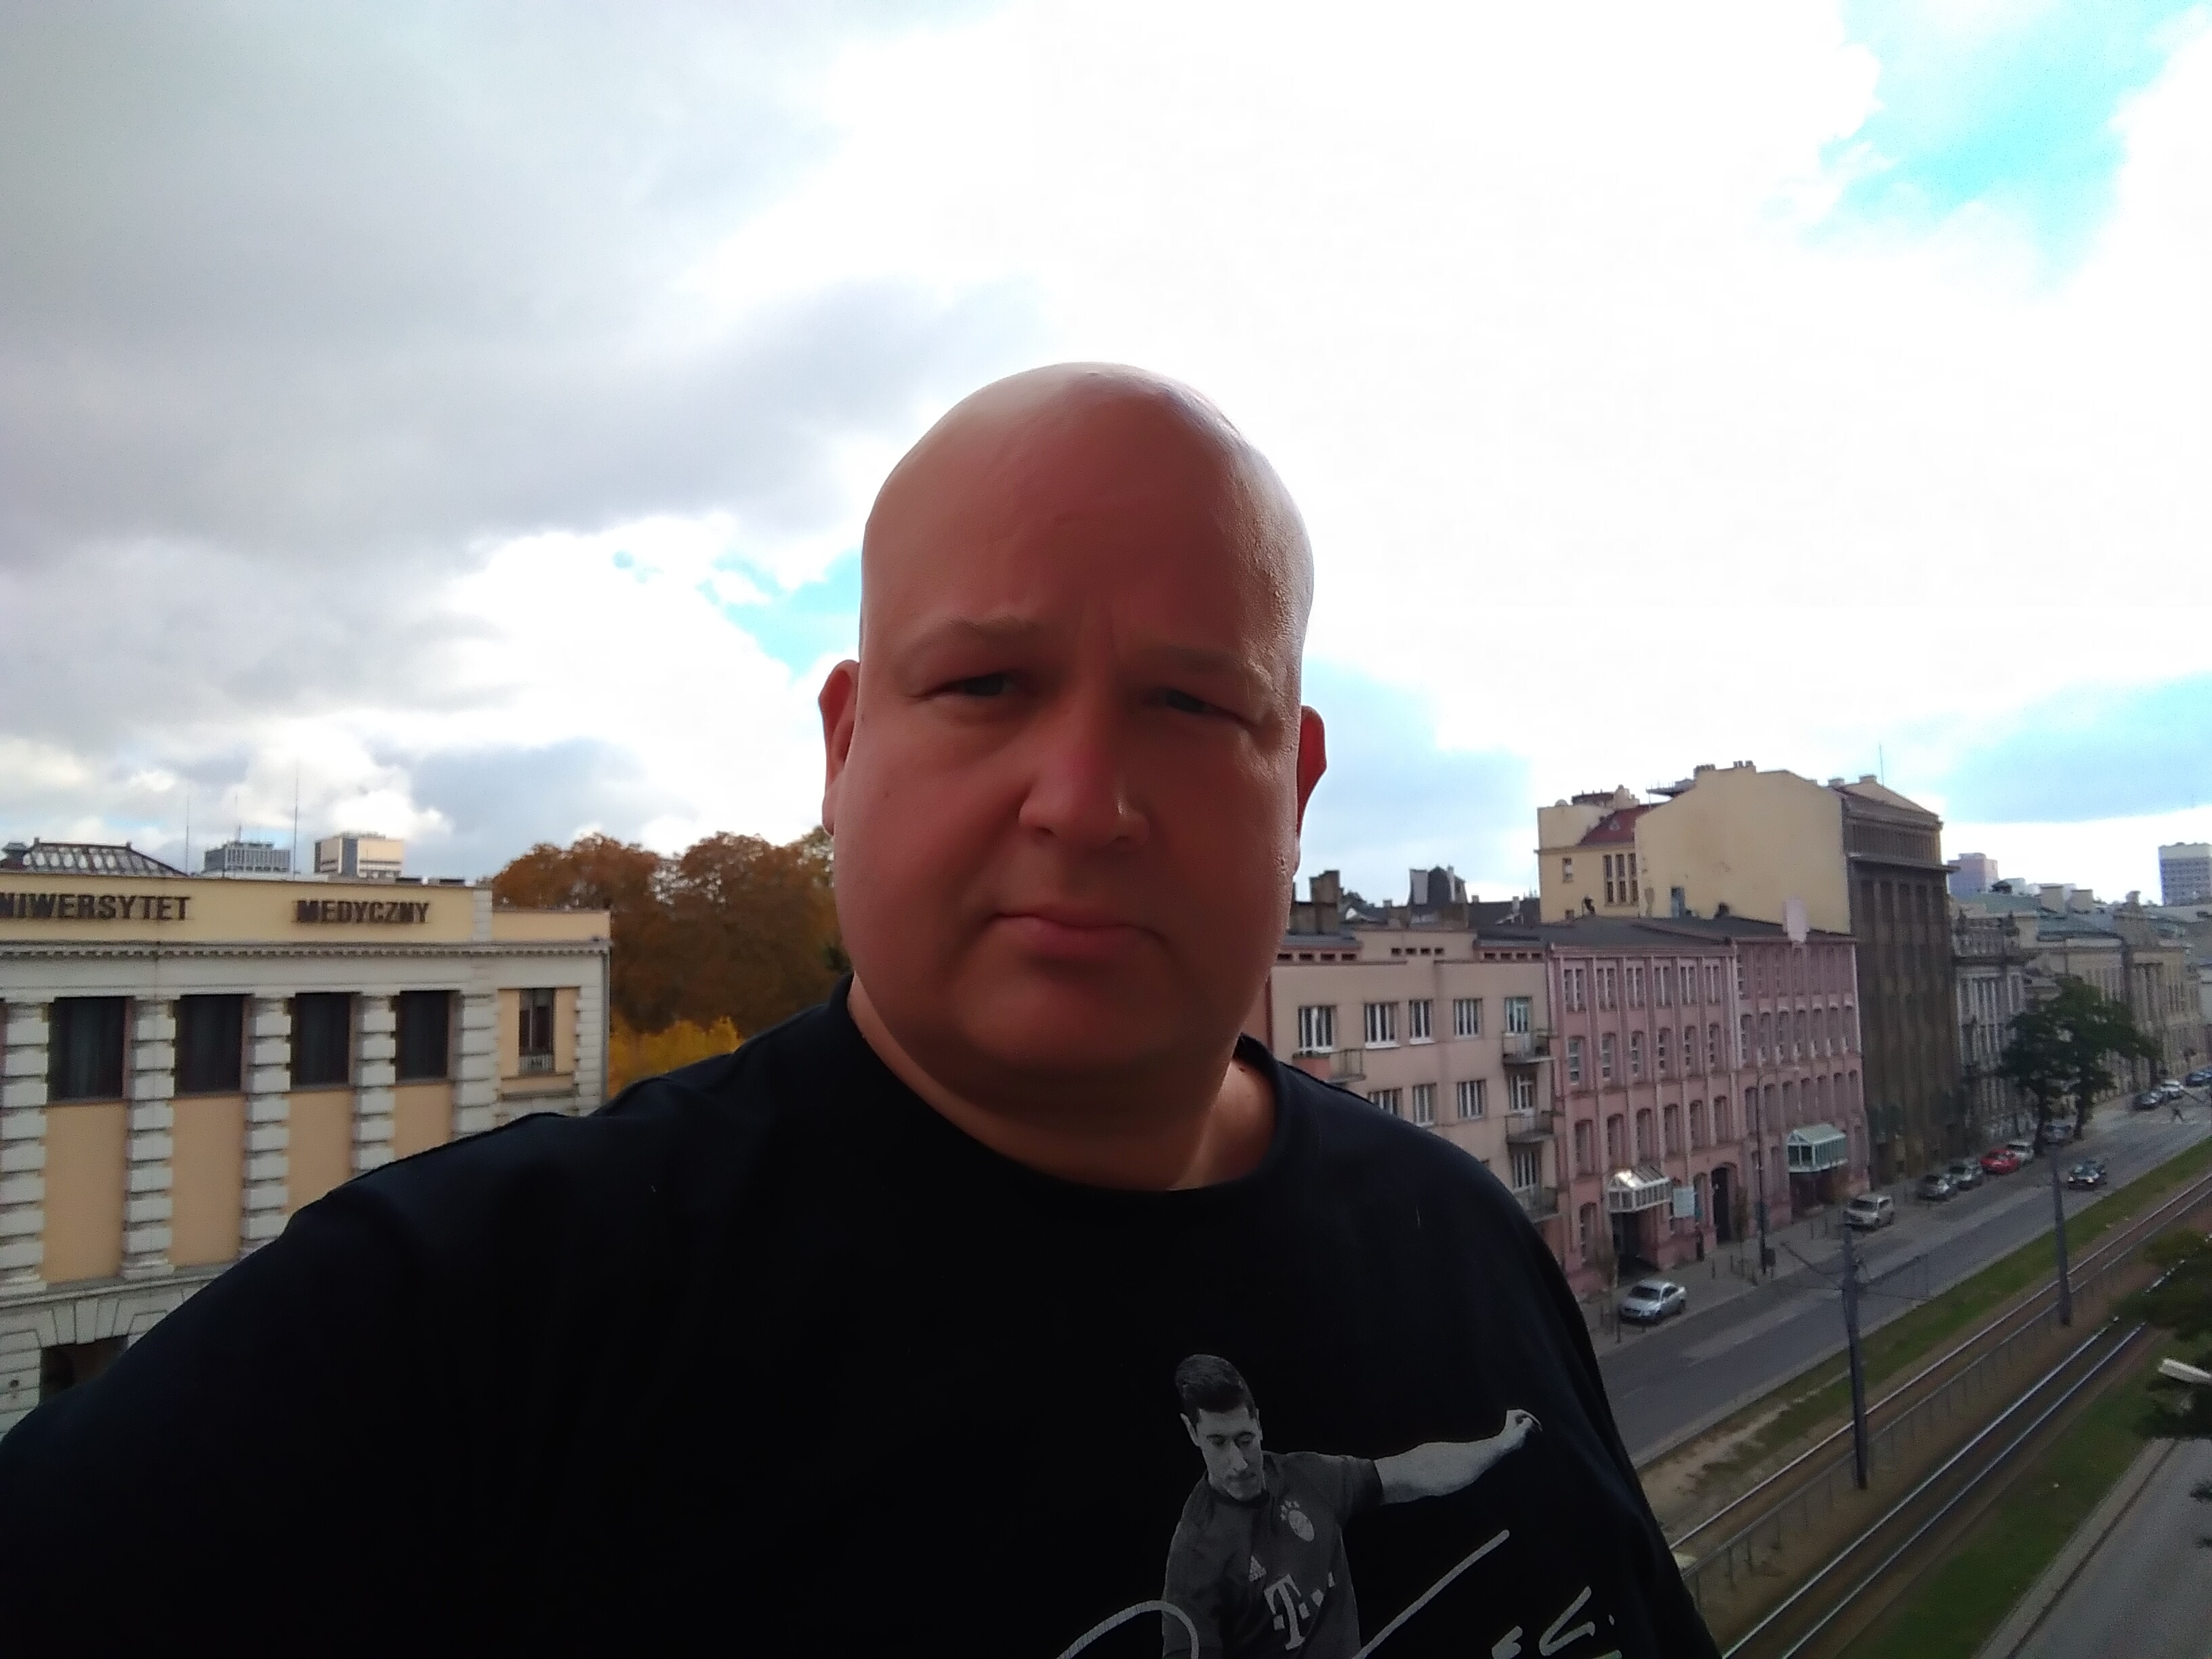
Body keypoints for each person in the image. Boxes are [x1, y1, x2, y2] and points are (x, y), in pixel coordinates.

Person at [0, 365, 1717, 1656]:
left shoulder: (1462, 1233)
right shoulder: (465, 1339)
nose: (1082, 798)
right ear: (842, 745)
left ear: (1300, 784)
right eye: (986, 683)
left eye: (1194, 704)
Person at [1161, 1354, 1536, 1658]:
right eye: (1218, 1443)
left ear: (1258, 1423)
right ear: (1192, 1433)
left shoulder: (1307, 1478)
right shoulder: (1194, 1555)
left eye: (1244, 1439)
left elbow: (1414, 1471)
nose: (1238, 1462)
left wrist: (1498, 1445)